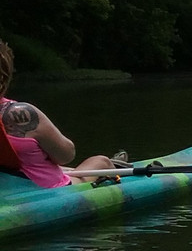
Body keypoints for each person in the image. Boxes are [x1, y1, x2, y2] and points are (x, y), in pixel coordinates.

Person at [0, 39, 121, 187]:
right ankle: (115, 170)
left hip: (7, 188)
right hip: (47, 190)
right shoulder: (21, 113)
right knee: (102, 161)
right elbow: (66, 155)